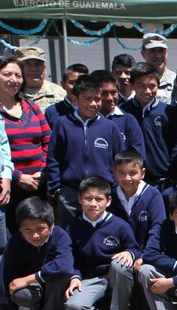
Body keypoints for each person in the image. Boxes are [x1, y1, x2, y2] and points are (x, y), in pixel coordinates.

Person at [0, 55, 51, 233]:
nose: (14, 80)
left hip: (37, 183)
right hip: (5, 186)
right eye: (7, 74)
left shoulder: (30, 106)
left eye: (18, 76)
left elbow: (48, 140)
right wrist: (18, 177)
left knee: (37, 234)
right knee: (9, 237)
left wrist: (41, 170)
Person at [45, 73, 126, 227]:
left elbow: (119, 160)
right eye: (87, 99)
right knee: (71, 236)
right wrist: (56, 188)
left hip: (102, 192)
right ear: (75, 100)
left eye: (97, 99)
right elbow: (54, 157)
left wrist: (115, 186)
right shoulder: (62, 124)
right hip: (70, 194)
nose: (93, 103)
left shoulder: (109, 127)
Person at [63, 176, 140, 310]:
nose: (93, 204)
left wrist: (130, 253)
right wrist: (75, 276)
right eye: (88, 198)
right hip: (90, 279)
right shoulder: (73, 227)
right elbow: (71, 257)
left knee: (120, 264)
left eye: (99, 199)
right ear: (79, 199)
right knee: (74, 309)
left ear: (108, 201)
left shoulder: (119, 225)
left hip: (115, 278)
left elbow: (136, 249)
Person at [0, 197, 73, 310]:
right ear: (19, 228)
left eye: (40, 229)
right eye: (27, 230)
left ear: (51, 225)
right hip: (33, 289)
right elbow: (6, 277)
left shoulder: (59, 236)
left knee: (61, 275)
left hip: (54, 286)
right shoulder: (15, 243)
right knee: (19, 293)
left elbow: (65, 266)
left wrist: (28, 279)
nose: (35, 235)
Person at [123, 62, 175, 185]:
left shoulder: (168, 112)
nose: (147, 91)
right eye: (141, 86)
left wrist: (170, 167)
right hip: (130, 177)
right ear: (132, 86)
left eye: (152, 86)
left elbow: (174, 144)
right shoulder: (123, 112)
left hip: (162, 178)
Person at [109, 149, 166, 250]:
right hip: (119, 255)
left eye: (133, 173)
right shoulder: (110, 197)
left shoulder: (153, 195)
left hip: (146, 255)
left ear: (142, 173)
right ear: (114, 174)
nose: (127, 178)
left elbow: (158, 228)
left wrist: (147, 255)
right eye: (121, 173)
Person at [95, 70, 145, 155]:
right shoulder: (87, 120)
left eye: (113, 92)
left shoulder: (128, 120)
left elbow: (138, 154)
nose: (110, 98)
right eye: (104, 93)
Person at [16, 46, 66, 111]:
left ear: (45, 67)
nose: (33, 69)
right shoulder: (11, 93)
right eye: (27, 64)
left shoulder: (60, 93)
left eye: (38, 64)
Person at [140, 33, 176, 103]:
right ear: (143, 54)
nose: (158, 56)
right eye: (152, 51)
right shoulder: (136, 80)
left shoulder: (176, 80)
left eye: (161, 51)